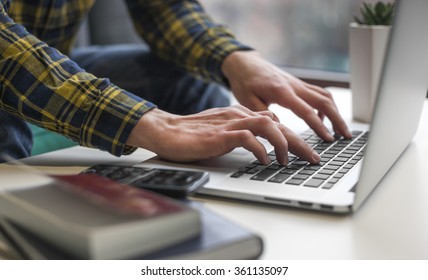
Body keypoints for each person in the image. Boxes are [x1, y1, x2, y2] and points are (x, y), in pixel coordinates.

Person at [0, 0, 351, 165]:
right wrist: (152, 122)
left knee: (188, 85)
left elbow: (162, 7)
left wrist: (238, 60)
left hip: (46, 56)